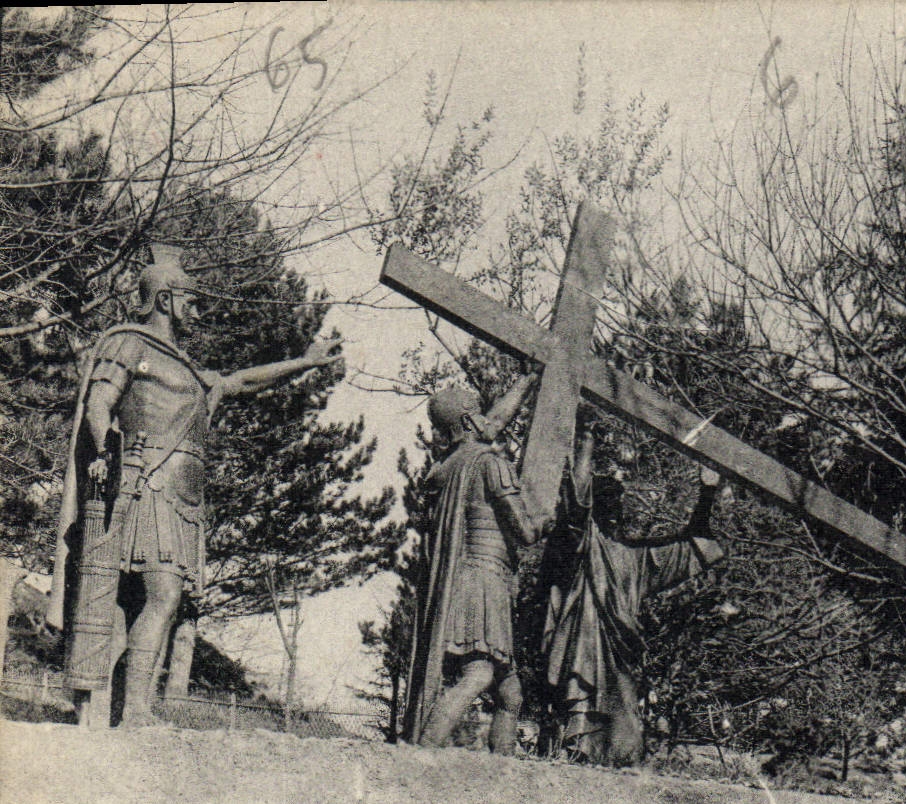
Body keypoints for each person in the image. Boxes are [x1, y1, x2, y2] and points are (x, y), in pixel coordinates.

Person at [50, 252, 343, 727]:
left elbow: (241, 381)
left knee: (141, 601)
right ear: (164, 298)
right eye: (191, 301)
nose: (199, 312)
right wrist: (104, 453)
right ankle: (134, 710)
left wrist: (306, 362)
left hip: (182, 500)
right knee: (160, 596)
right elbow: (98, 404)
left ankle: (108, 711)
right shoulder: (128, 344)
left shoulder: (186, 370)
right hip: (146, 487)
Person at [542, 430, 724, 766]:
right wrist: (586, 441)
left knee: (624, 748)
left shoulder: (639, 559)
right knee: (578, 743)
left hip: (621, 666)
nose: (615, 511)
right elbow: (576, 502)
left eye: (619, 505)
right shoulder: (584, 544)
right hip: (584, 656)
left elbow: (694, 546)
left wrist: (708, 492)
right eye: (606, 502)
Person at [407, 377, 546, 754]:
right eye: (479, 414)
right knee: (480, 672)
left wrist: (526, 381)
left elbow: (493, 421)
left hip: (458, 580)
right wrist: (548, 519)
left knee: (510, 694)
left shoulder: (445, 469)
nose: (489, 419)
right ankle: (422, 751)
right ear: (469, 421)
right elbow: (525, 533)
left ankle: (500, 773)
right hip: (485, 579)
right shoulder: (491, 465)